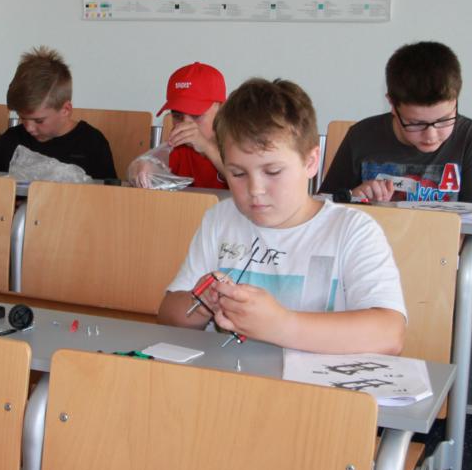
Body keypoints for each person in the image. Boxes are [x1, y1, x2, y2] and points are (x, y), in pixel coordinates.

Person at [158, 78, 406, 354]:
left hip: (314, 380)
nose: (255, 189)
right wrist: (201, 302)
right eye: (237, 173)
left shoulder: (352, 230)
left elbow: (390, 334)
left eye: (273, 172)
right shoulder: (220, 219)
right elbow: (168, 315)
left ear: (310, 162)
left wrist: (280, 325)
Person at [318, 40, 472, 308]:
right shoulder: (362, 136)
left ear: (456, 101)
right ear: (392, 105)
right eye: (415, 124)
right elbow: (321, 214)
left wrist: (428, 256)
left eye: (444, 120)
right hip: (372, 256)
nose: (431, 135)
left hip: (445, 259)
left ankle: (398, 305)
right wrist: (354, 196)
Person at [0, 46, 116, 179]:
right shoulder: (12, 140)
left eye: (38, 121)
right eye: (22, 118)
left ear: (65, 110)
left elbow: (108, 195)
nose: (29, 128)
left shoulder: (92, 143)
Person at [130, 62, 228, 189]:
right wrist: (142, 168)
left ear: (222, 110)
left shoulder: (238, 143)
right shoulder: (181, 148)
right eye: (177, 116)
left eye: (196, 114)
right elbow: (148, 165)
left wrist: (207, 147)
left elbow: (243, 180)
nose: (186, 124)